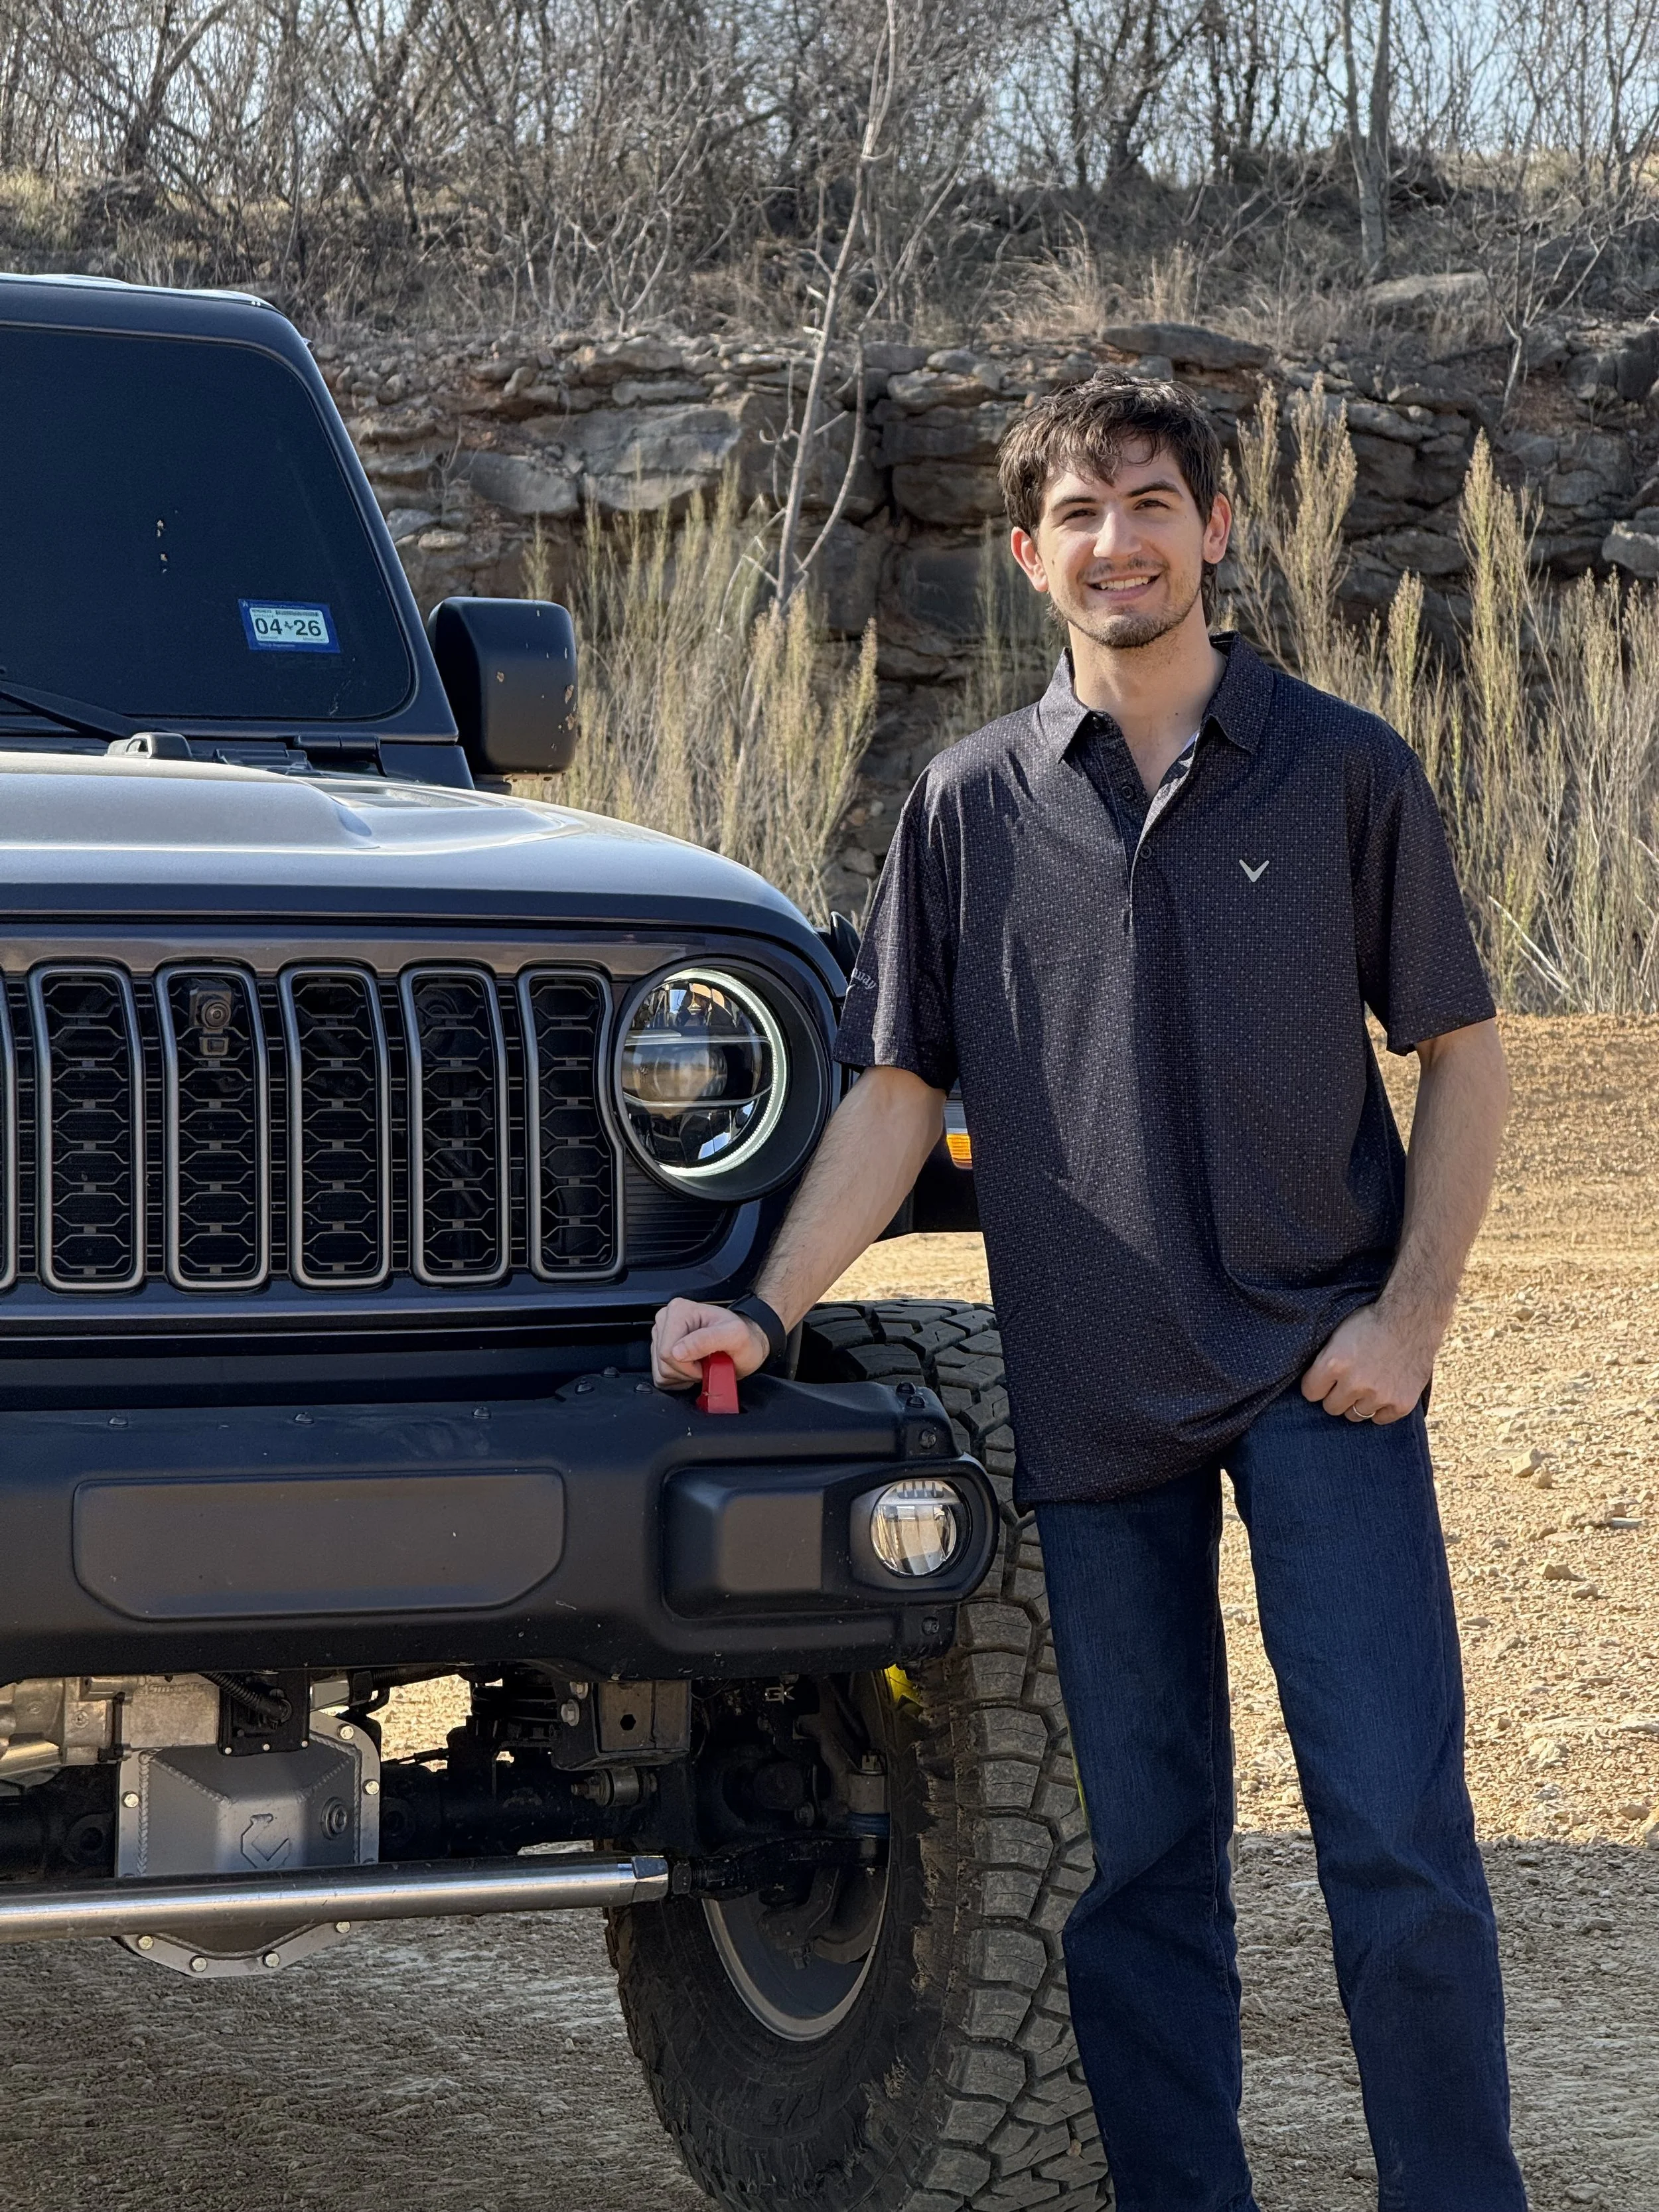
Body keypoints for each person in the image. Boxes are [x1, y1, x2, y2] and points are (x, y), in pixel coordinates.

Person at [651, 372, 1526, 2212]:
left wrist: (1410, 1318)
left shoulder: (1341, 764)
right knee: (1141, 1859)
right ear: (1028, 550)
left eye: (1148, 503)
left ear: (1215, 527)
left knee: (1394, 1837)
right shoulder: (965, 803)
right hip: (1093, 1388)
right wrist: (768, 1298)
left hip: (1321, 1373)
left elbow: (1461, 1049)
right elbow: (898, 1090)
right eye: (1075, 512)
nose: (1113, 540)